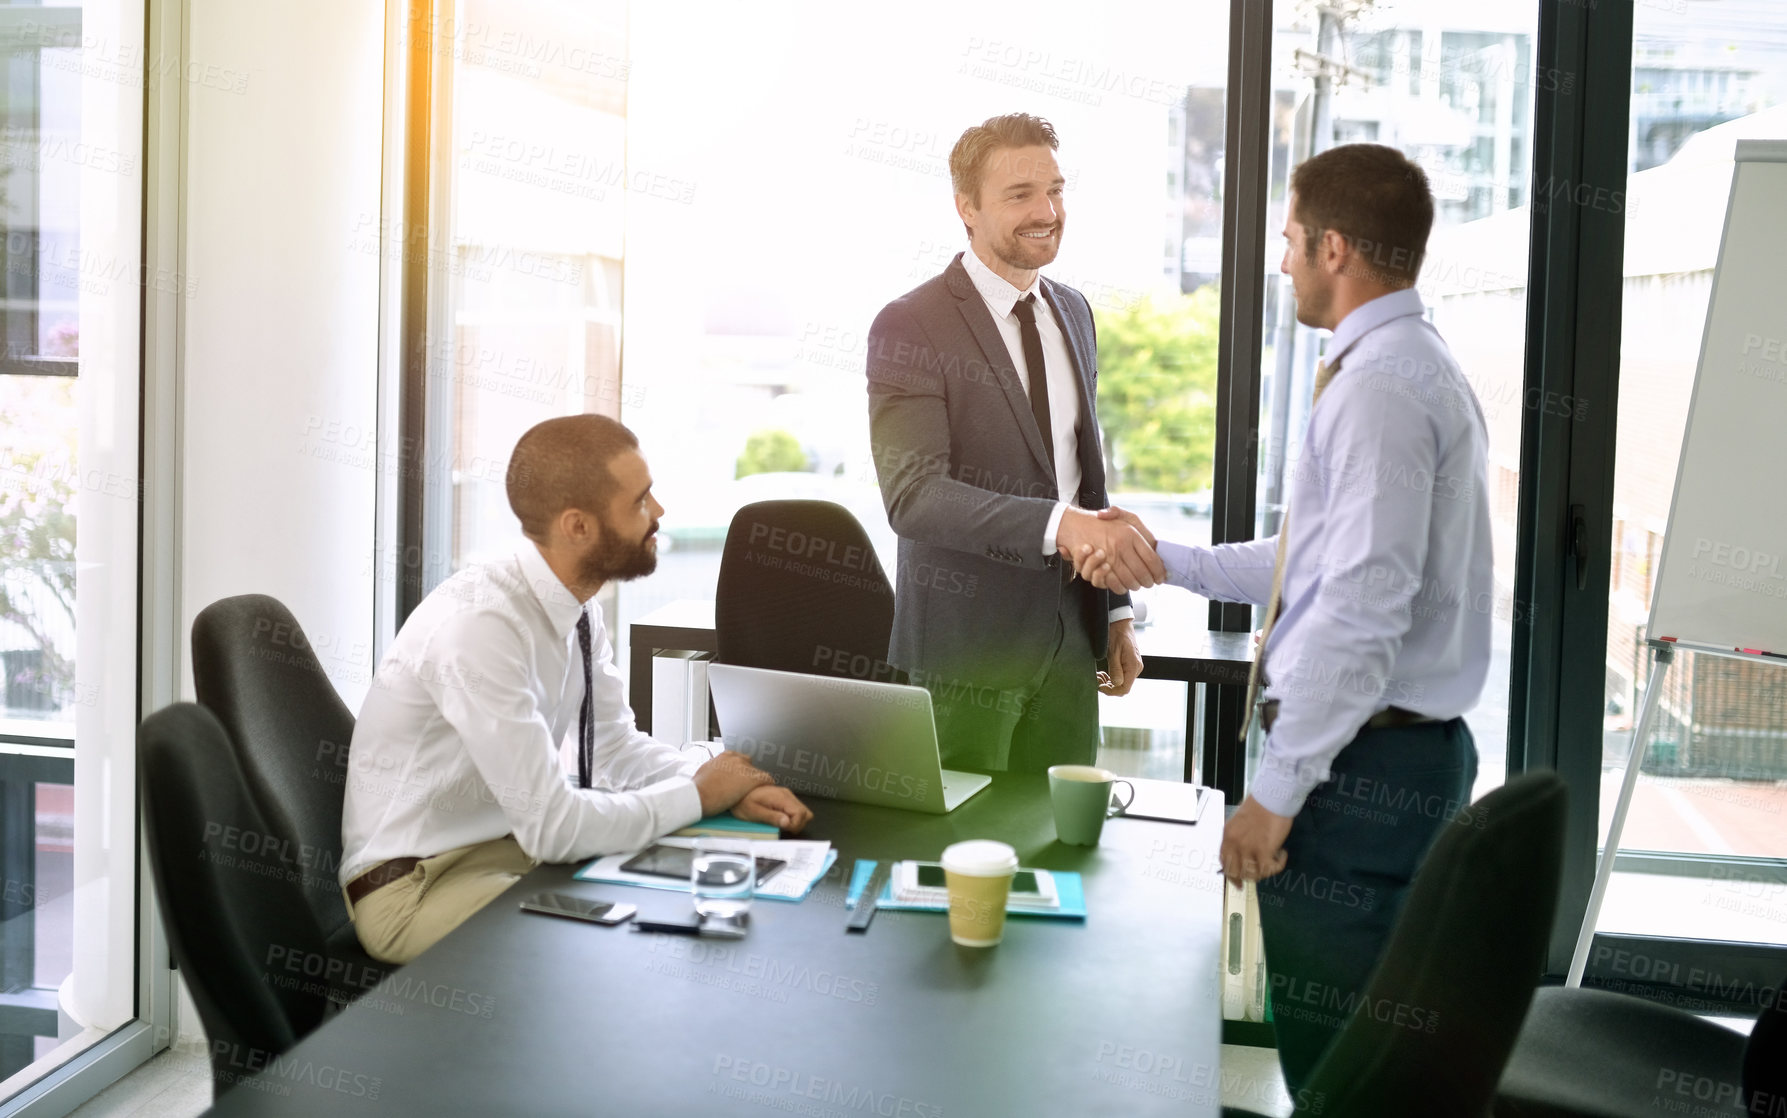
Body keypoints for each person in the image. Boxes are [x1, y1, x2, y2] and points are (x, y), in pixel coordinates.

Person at [1077, 143, 1492, 1090]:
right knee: (1363, 1067)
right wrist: (1165, 559)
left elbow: (1359, 608)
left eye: (1290, 239)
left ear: (1334, 248)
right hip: (1382, 764)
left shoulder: (1380, 387)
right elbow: (1313, 560)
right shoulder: (1400, 366)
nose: (1281, 261)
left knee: (1340, 1075)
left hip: (1362, 781)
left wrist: (1275, 795)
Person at [340, 415, 812, 964]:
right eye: (640, 502)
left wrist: (718, 785)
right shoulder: (480, 628)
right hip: (415, 891)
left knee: (672, 908)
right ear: (578, 526)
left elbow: (612, 748)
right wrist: (700, 795)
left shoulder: (577, 607)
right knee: (619, 950)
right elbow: (552, 829)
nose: (658, 513)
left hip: (507, 853)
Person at [864, 112, 1165, 774]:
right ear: (965, 208)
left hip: (1068, 650)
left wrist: (1114, 613)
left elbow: (1085, 479)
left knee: (1060, 857)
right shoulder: (910, 324)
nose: (1047, 211)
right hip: (963, 658)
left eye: (1055, 190)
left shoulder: (1073, 312)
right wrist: (1061, 527)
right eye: (1020, 194)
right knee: (954, 866)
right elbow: (913, 496)